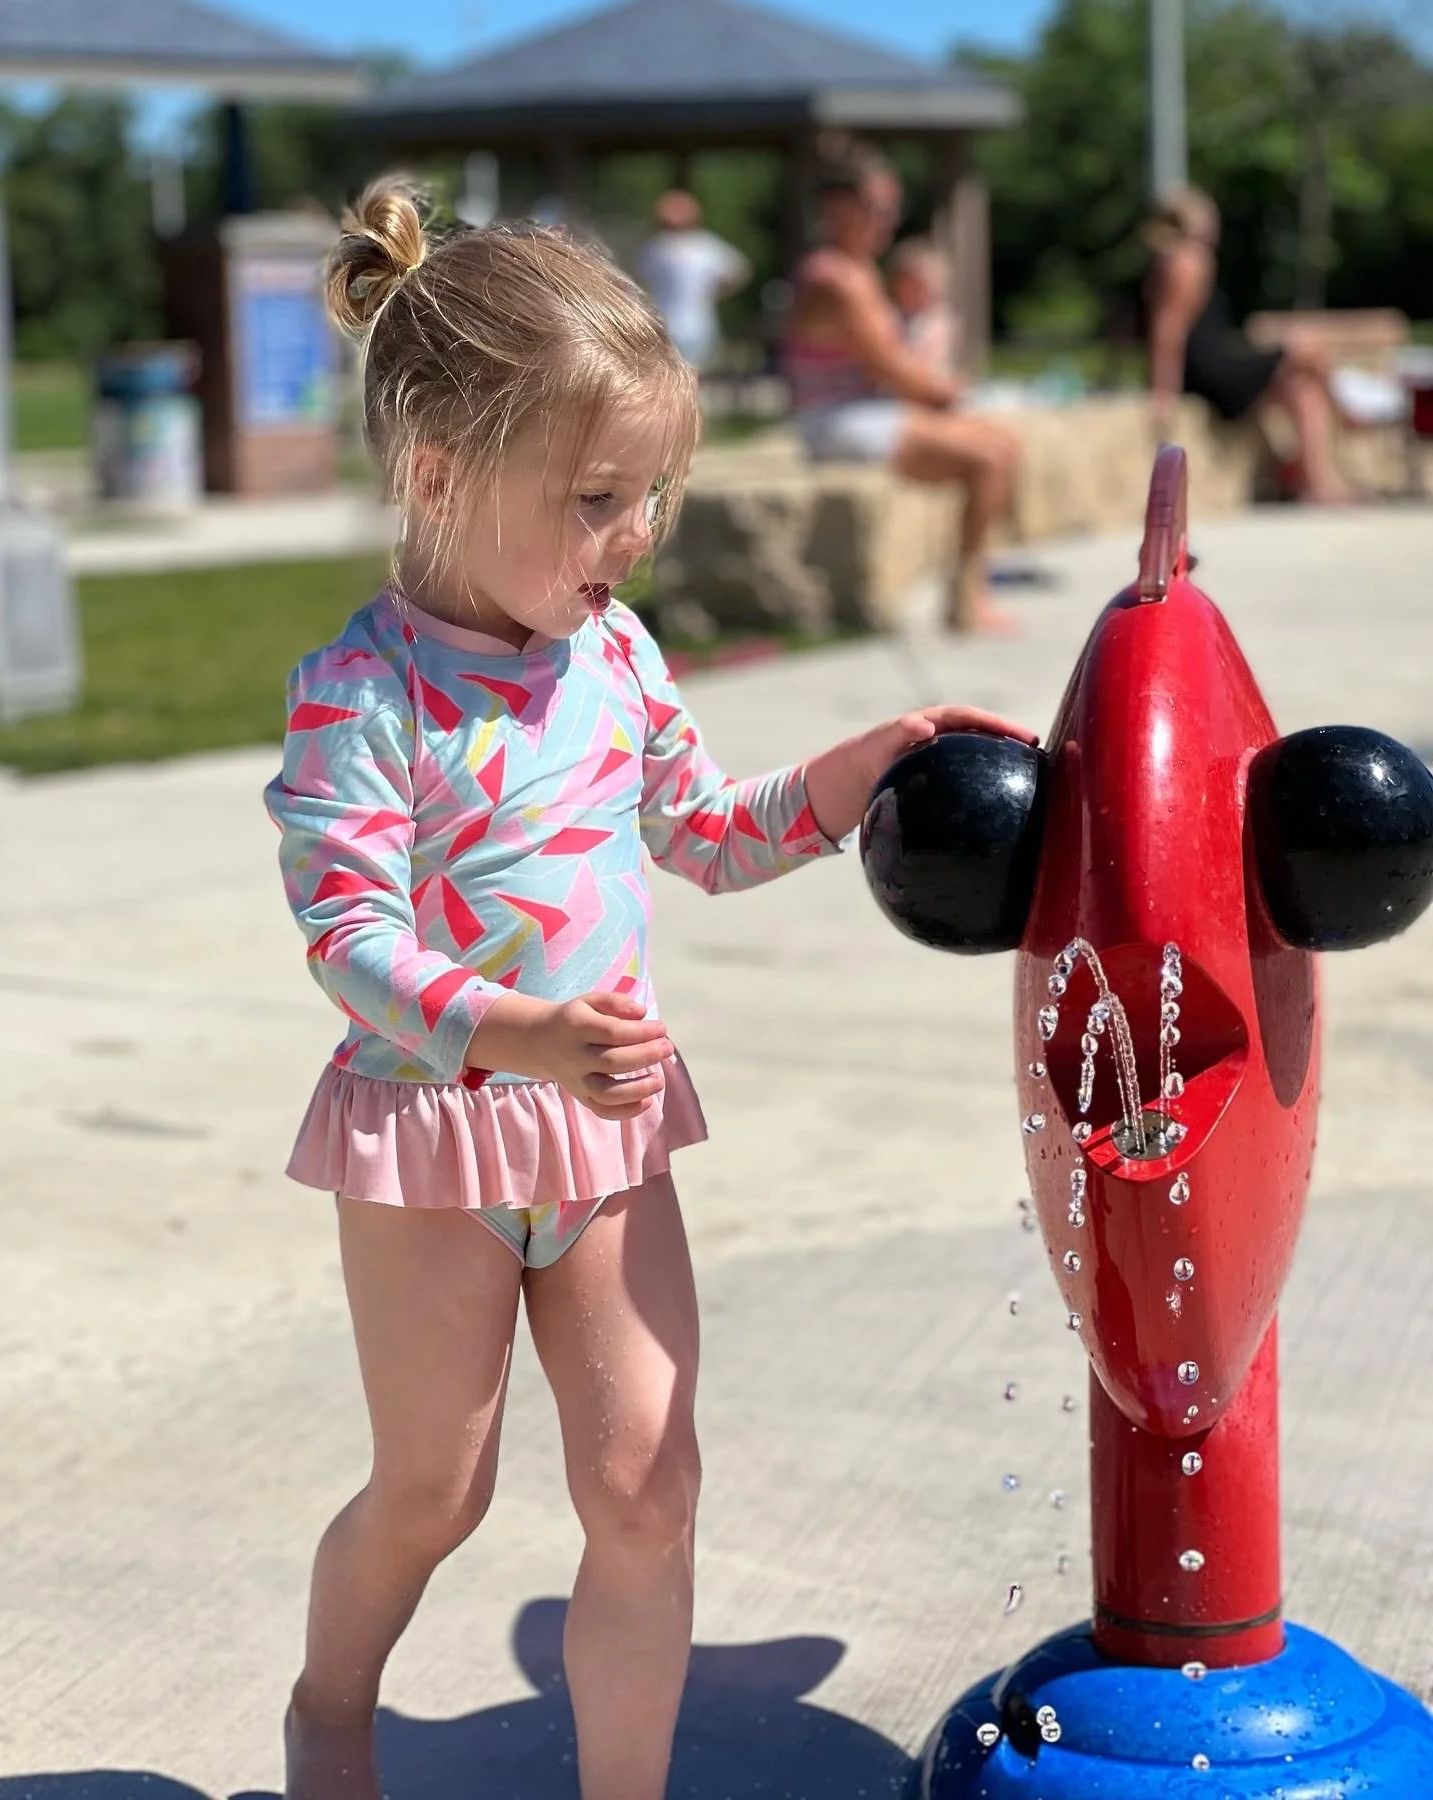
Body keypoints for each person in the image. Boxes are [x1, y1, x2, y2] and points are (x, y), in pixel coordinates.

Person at [267, 174, 1037, 1800]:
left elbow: (701, 832)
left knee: (644, 1484)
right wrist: (525, 1031)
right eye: (602, 499)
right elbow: (348, 941)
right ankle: (333, 1704)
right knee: (436, 1489)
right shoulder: (363, 693)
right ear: (437, 473)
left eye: (655, 498)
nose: (635, 539)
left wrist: (858, 773)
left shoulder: (613, 658)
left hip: (606, 1147)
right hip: (436, 1144)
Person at [782, 135, 1022, 634]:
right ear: (838, 207)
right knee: (990, 457)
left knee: (1004, 444)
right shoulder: (836, 278)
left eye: (893, 208)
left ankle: (970, 585)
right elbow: (891, 367)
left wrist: (944, 394)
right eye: (876, 208)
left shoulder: (859, 271)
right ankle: (966, 599)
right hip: (836, 421)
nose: (888, 220)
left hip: (865, 411)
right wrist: (948, 393)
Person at [1143, 185, 1357, 505]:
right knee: (1306, 350)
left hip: (1211, 364)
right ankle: (1350, 413)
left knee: (1303, 389)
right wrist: (1163, 390)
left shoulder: (1173, 259)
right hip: (1210, 371)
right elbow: (1168, 329)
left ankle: (1315, 482)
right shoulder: (1188, 259)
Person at [635, 188, 752, 371]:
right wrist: (713, 294)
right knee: (694, 378)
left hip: (669, 323)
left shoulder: (657, 248)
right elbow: (740, 272)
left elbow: (639, 281)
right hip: (695, 325)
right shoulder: (706, 246)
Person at [888, 236, 960, 376]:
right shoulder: (892, 316)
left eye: (931, 287)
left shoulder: (939, 320)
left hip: (929, 378)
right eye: (916, 286)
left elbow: (926, 356)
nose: (924, 293)